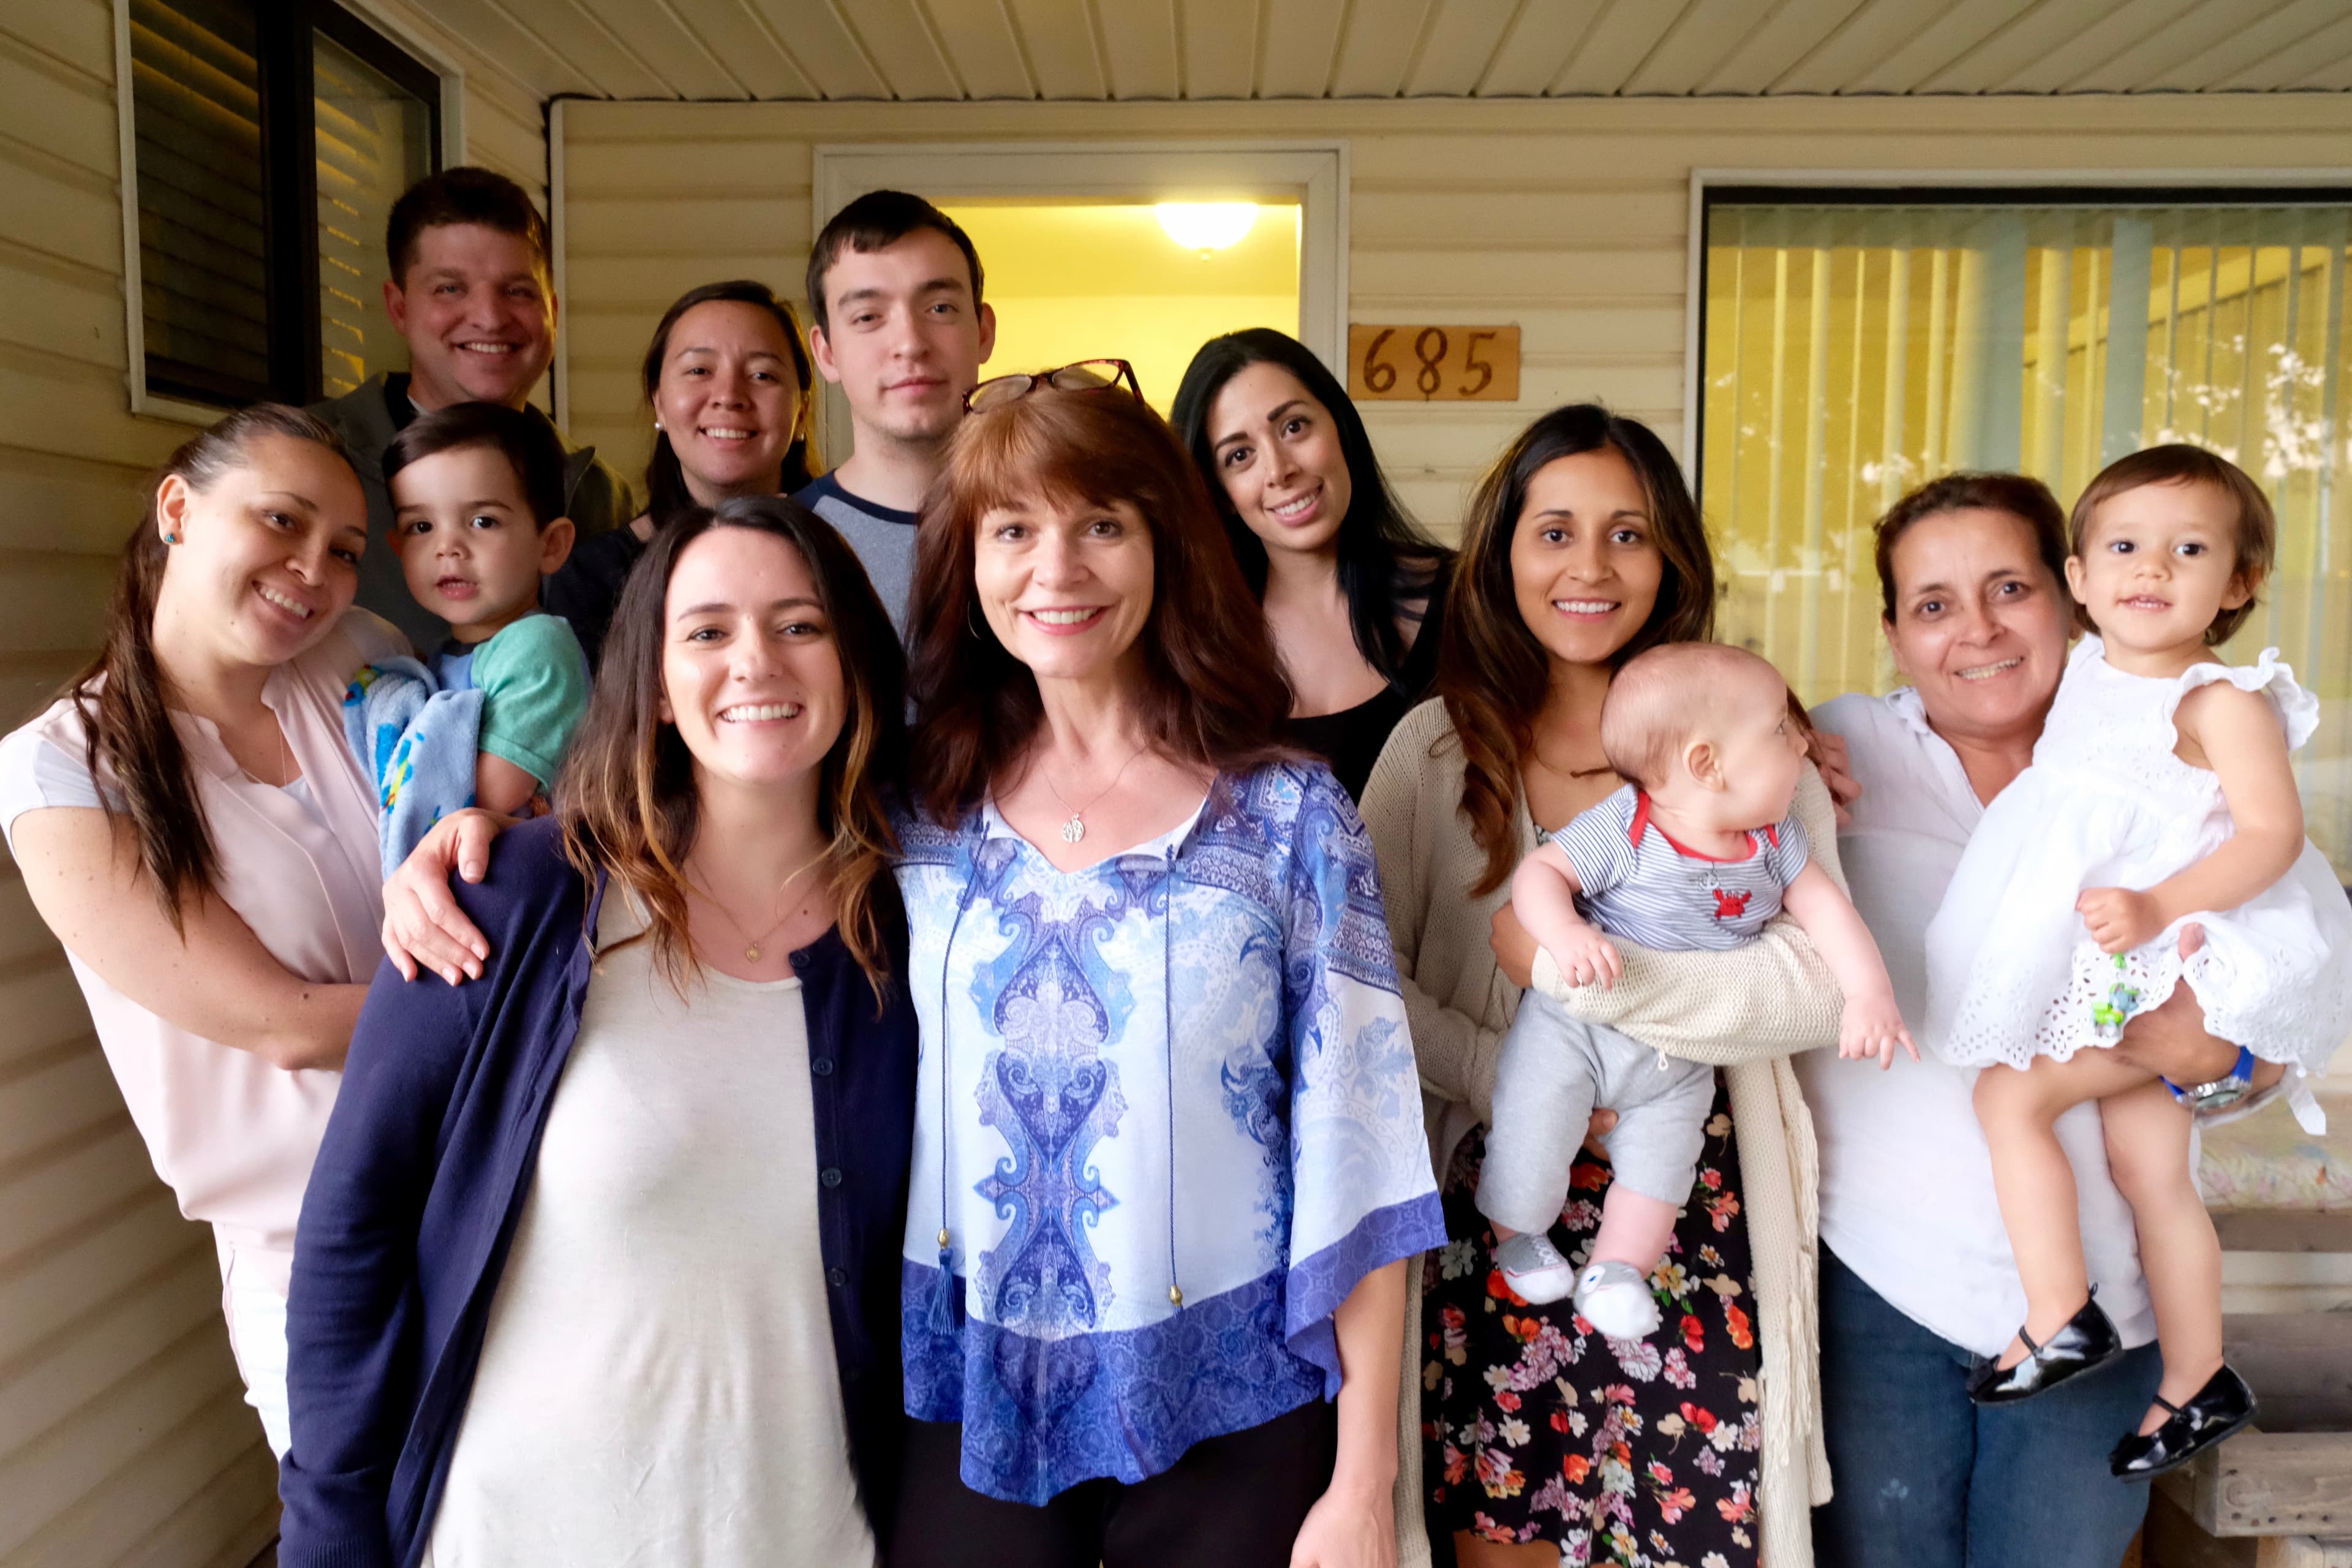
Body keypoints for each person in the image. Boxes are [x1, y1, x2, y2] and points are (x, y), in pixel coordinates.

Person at [279, 498, 919, 1566]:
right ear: (657, 686)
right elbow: (355, 1230)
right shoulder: (510, 899)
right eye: (708, 631)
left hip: (808, 1537)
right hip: (520, 1532)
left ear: (853, 661)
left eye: (800, 625)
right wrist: (330, 1531)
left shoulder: (918, 933)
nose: (755, 661)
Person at [887, 374, 1444, 1567]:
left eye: (1102, 523)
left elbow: (1363, 1151)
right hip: (969, 1389)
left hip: (1239, 1407)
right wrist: (480, 841)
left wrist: (1364, 1485)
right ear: (967, 563)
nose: (1058, 568)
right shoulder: (912, 816)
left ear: (1165, 545)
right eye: (1014, 529)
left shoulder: (1291, 818)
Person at [1359, 404, 1838, 1568]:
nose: (1590, 565)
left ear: (1671, 557)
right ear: (1503, 556)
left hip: (1689, 1228)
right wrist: (1511, 1072)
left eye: (1628, 534)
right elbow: (1363, 989)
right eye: (1555, 530)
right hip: (1495, 1226)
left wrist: (1603, 998)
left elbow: (1815, 990)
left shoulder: (1766, 751)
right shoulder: (1431, 752)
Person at [1803, 470, 2285, 1567]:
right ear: (1892, 633)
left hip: (2110, 1287)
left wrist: (2212, 1059)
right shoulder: (1833, 757)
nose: (1975, 629)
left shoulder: (2180, 762)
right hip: (1879, 1280)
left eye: (2008, 587)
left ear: (2068, 599)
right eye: (1932, 605)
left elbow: (2271, 1000)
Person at [1921, 447, 2351, 1476]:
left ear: (2238, 584)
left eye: (2189, 549)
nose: (2150, 568)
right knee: (2152, 1173)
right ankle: (2198, 1378)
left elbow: (2269, 836)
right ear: (2078, 577)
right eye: (2123, 546)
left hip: (2184, 956)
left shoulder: (2218, 703)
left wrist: (2158, 902)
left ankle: (2061, 1312)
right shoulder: (2089, 677)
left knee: (2008, 1101)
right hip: (2125, 957)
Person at [0, 405, 393, 1456]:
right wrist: (532, 993)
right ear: (178, 508)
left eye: (345, 551)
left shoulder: (358, 660)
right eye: (281, 521)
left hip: (496, 1188)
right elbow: (286, 1024)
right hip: (320, 1265)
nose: (313, 569)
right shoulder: (64, 773)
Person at [1483, 643, 1912, 1332]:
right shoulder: (1628, 825)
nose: (1801, 738)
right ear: (1707, 765)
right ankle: (1517, 1234)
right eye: (1778, 730)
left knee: (1660, 1172)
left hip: (1679, 1059)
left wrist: (1868, 993)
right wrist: (1562, 937)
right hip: (1575, 1031)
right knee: (1532, 1128)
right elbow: (1540, 876)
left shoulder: (1776, 839)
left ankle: (1616, 1269)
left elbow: (1830, 914)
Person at [311, 165, 632, 650]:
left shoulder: (597, 493)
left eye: (518, 291)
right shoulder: (309, 457)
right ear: (398, 308)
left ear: (553, 312)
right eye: (450, 288)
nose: (489, 318)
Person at [1170, 328, 1452, 799]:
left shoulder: (1466, 600)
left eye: (1294, 427)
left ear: (1338, 425)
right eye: (1240, 455)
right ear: (1217, 493)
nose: (1280, 469)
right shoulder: (1198, 648)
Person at [345, 402, 589, 871]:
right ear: (399, 549)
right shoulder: (442, 656)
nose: (447, 547)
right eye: (421, 526)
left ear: (551, 544)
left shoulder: (538, 647)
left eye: (483, 521)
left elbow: (473, 796)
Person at [545, 278, 818, 669]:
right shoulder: (593, 578)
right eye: (699, 370)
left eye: (762, 375)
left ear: (802, 412)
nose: (729, 395)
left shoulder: (847, 547)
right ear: (659, 403)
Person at [802, 190, 995, 638]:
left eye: (939, 309)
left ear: (983, 332)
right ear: (826, 353)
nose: (910, 343)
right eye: (868, 317)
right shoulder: (785, 543)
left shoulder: (1055, 532)